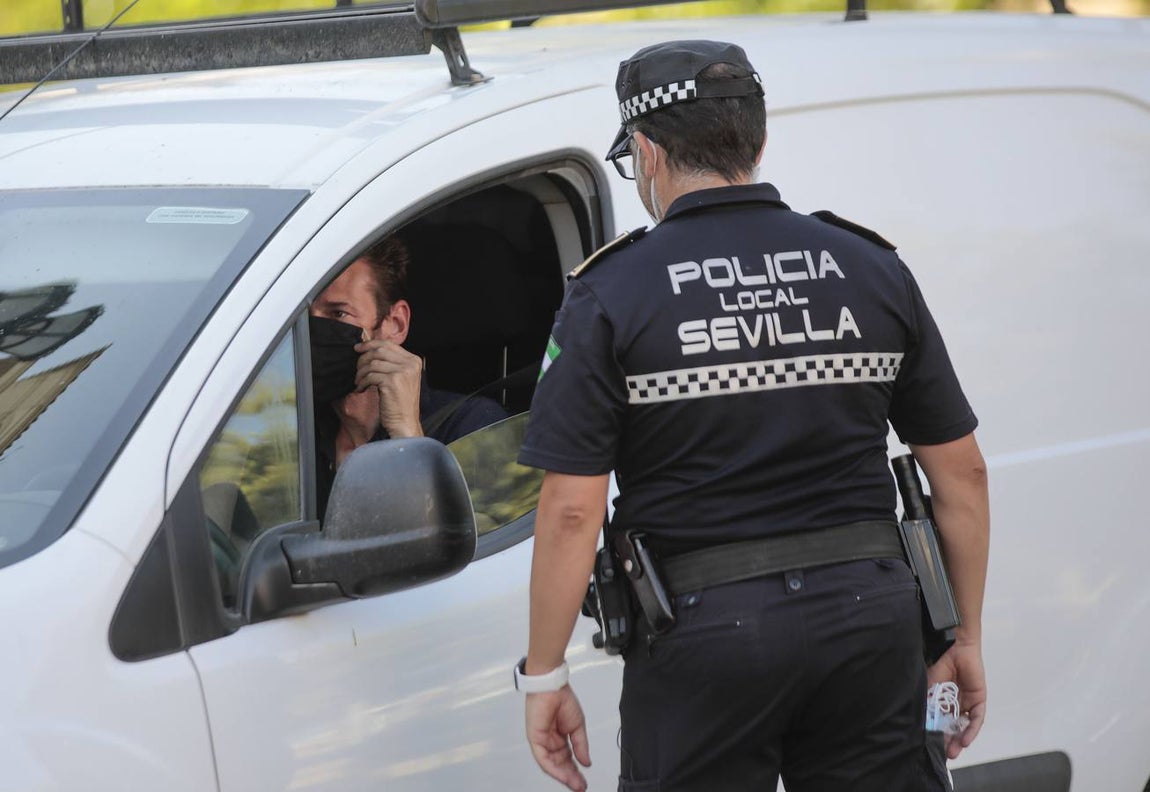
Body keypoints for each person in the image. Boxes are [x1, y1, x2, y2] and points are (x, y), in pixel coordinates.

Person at [514, 40, 990, 792]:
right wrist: (961, 633)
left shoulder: (610, 293)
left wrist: (544, 677)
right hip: (874, 626)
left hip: (703, 638)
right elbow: (961, 474)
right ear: (758, 141)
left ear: (645, 151)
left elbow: (573, 511)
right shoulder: (870, 267)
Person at [309, 234, 506, 518]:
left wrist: (406, 432)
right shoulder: (294, 434)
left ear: (396, 324)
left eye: (338, 314)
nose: (315, 330)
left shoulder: (473, 427)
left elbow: (476, 548)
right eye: (306, 318)